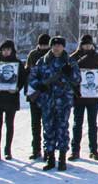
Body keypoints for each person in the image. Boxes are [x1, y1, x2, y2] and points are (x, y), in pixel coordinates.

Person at [28, 35, 81, 171]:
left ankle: (62, 159)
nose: (57, 48)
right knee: (49, 129)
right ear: (51, 46)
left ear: (63, 47)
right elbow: (32, 77)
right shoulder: (42, 61)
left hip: (63, 101)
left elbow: (77, 80)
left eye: (59, 45)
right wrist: (40, 86)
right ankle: (50, 158)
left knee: (62, 129)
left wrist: (70, 73)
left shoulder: (70, 62)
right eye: (54, 45)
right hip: (47, 101)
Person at [69, 34, 98, 161]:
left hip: (92, 98)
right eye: (85, 44)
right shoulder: (74, 58)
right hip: (78, 97)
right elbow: (70, 77)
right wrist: (75, 91)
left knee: (92, 124)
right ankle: (75, 150)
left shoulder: (96, 57)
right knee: (77, 124)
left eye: (89, 44)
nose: (87, 46)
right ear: (81, 45)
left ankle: (93, 150)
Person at [0, 40, 26, 162]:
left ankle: (7, 150)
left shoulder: (18, 64)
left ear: (12, 51)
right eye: (3, 50)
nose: (6, 52)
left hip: (11, 98)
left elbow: (22, 79)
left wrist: (17, 88)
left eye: (8, 49)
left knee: (9, 125)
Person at [25, 33, 50, 160]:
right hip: (34, 93)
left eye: (46, 45)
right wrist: (28, 91)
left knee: (47, 124)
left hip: (48, 95)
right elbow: (28, 73)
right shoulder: (33, 55)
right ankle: (36, 149)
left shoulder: (52, 55)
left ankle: (47, 150)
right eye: (42, 45)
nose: (44, 47)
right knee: (35, 124)